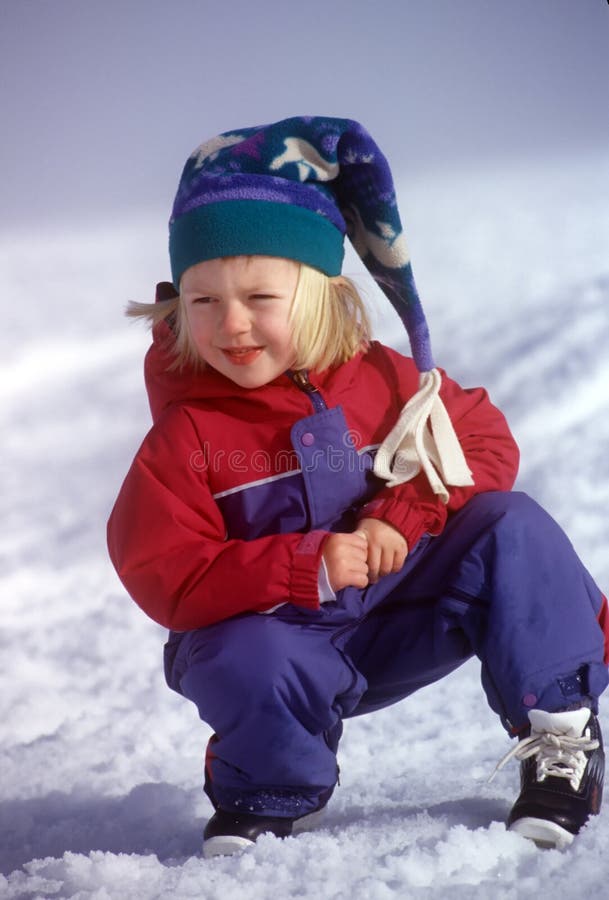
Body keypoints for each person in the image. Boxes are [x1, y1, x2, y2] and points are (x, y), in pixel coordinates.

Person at [107, 116, 608, 858]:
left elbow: (479, 438)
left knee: (511, 525)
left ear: (318, 295)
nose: (231, 324)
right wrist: (300, 565)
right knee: (242, 656)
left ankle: (560, 737)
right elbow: (163, 570)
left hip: (400, 614)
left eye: (260, 298)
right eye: (202, 300)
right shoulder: (190, 432)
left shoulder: (378, 375)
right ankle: (270, 787)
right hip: (282, 645)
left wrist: (397, 519)